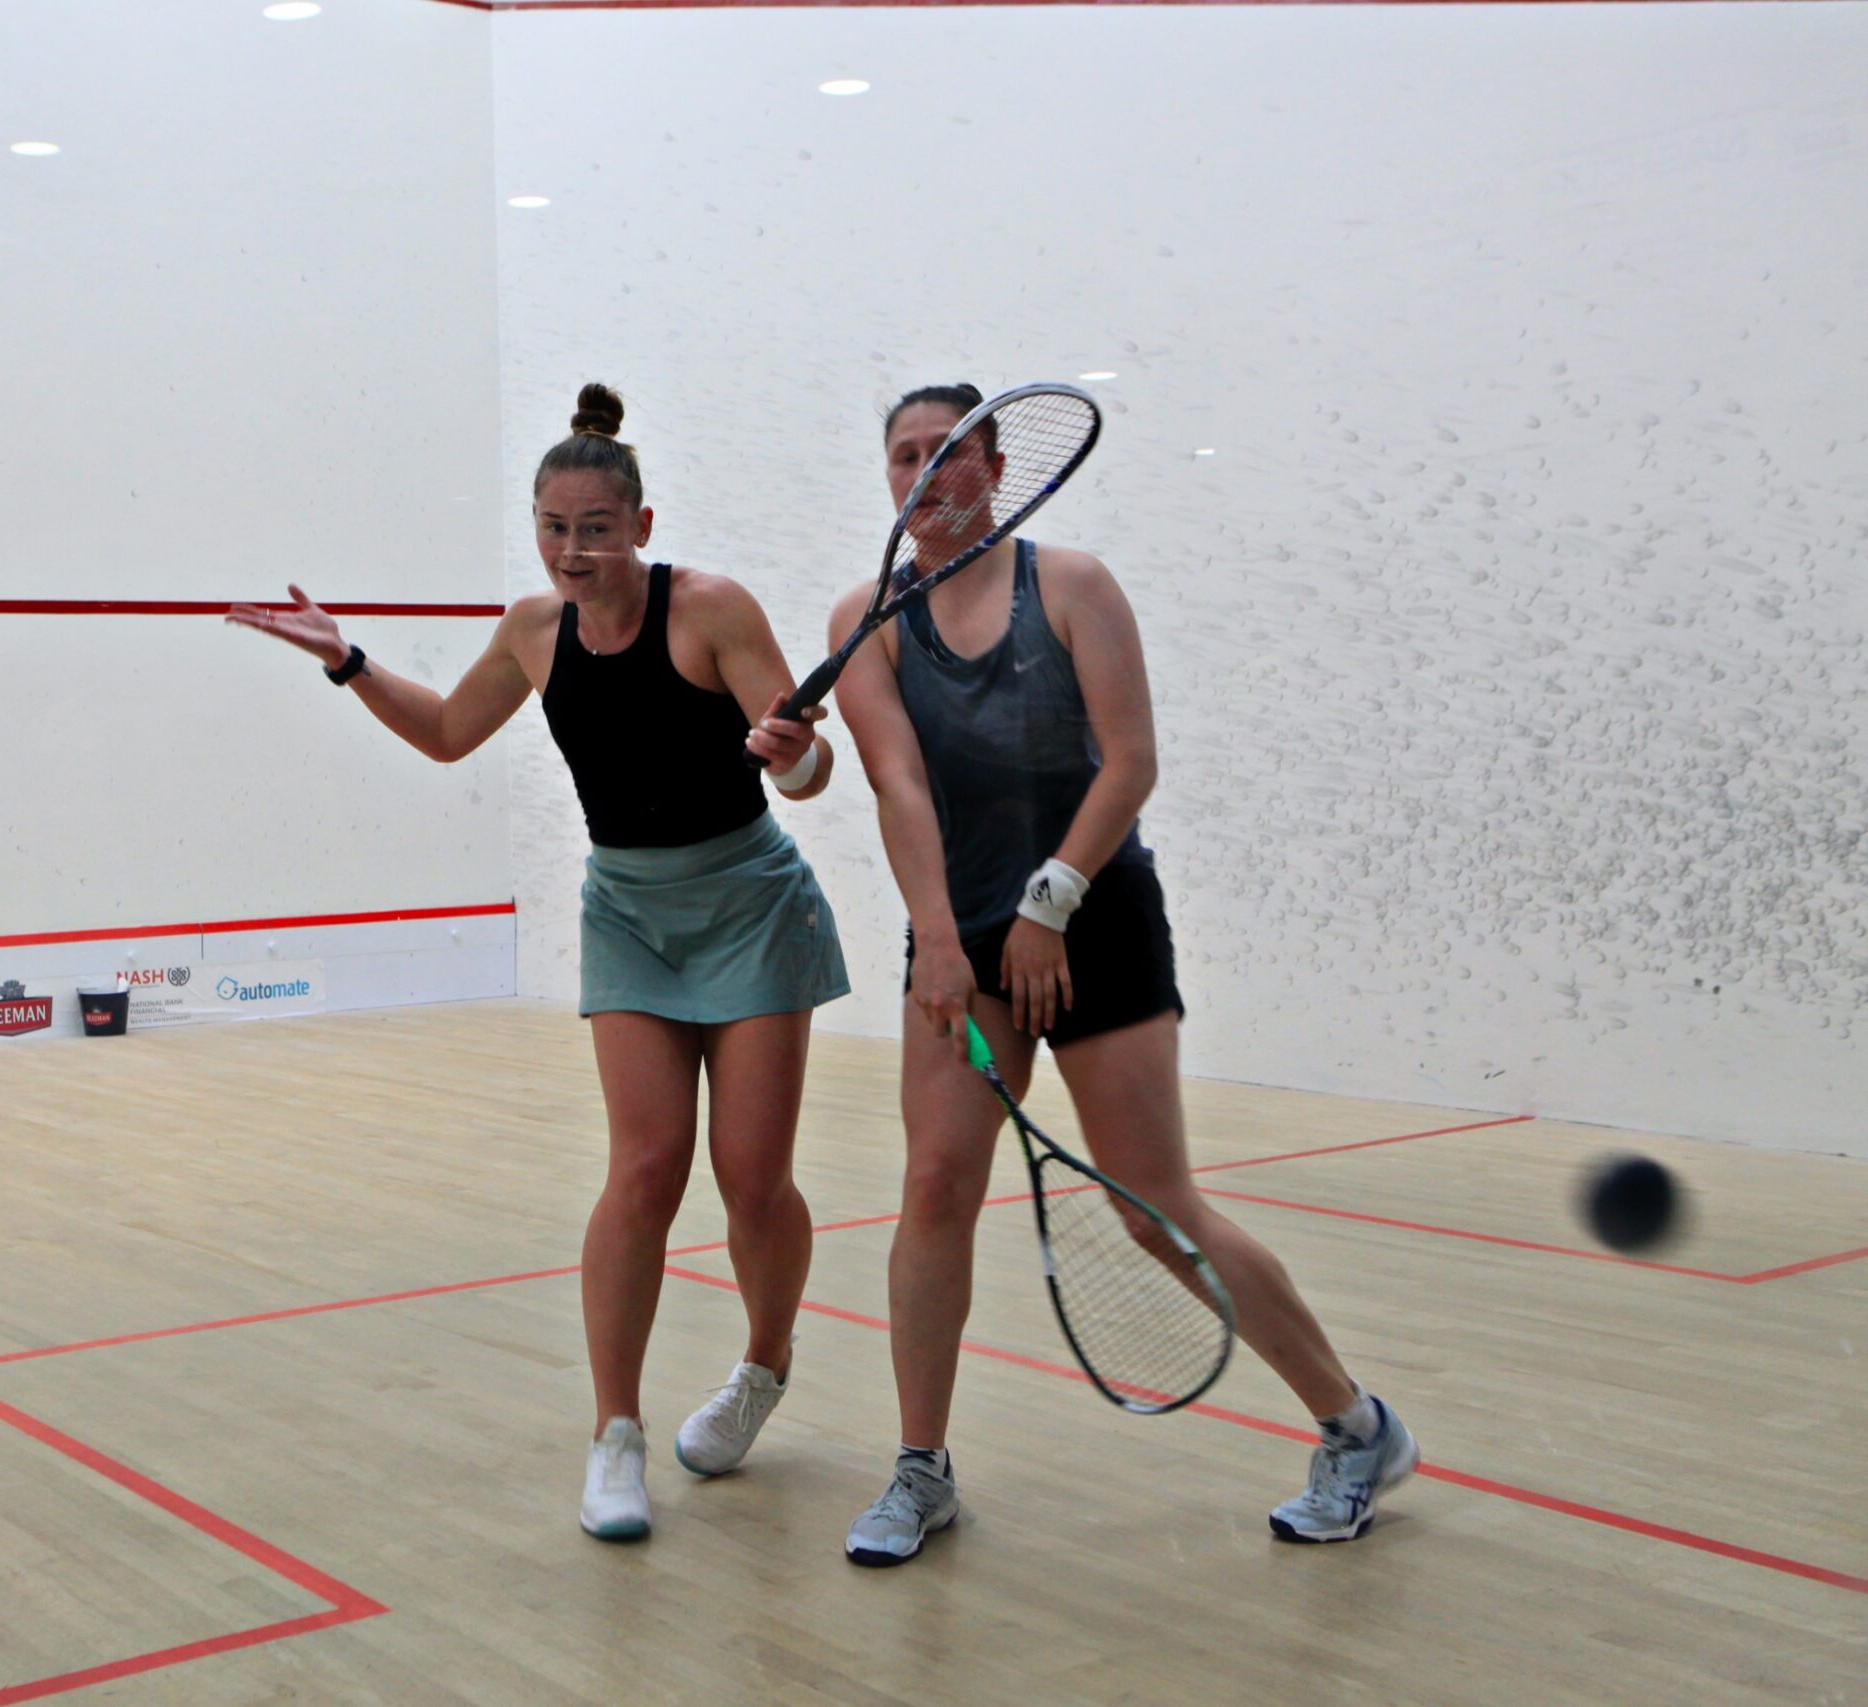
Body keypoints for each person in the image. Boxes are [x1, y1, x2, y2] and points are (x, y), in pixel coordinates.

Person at [230, 384, 849, 1541]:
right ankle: (614, 1435)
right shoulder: (531, 631)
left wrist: (794, 758)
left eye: (597, 529)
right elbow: (447, 733)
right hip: (629, 913)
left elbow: (810, 776)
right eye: (555, 528)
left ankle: (761, 1368)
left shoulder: (710, 608)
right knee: (645, 1168)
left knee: (751, 1177)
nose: (574, 551)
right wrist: (349, 660)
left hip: (751, 907)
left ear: (641, 526)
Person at [827, 382, 1417, 1565]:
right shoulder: (867, 622)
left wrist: (1048, 903)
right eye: (903, 455)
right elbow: (897, 785)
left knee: (1153, 1207)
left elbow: (1130, 762)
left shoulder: (1073, 587)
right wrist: (936, 937)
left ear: (997, 469)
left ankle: (1357, 1429)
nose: (924, 472)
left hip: (1094, 917)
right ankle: (919, 1468)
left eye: (948, 451)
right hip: (959, 936)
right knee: (934, 1187)